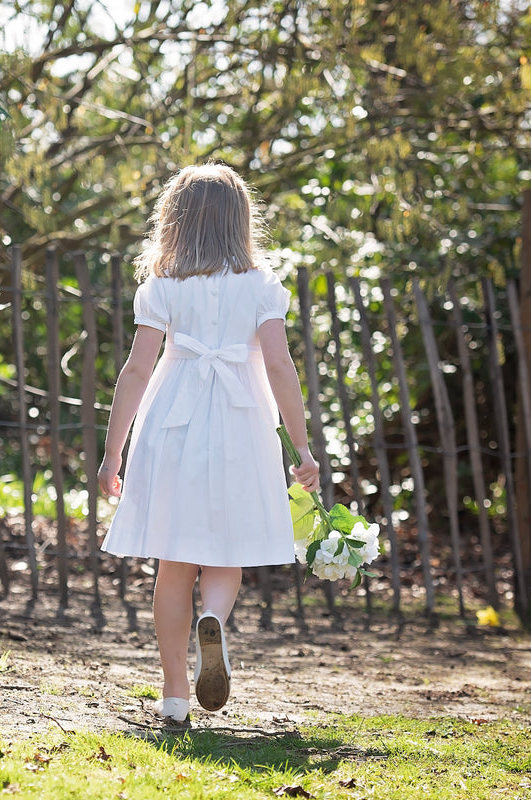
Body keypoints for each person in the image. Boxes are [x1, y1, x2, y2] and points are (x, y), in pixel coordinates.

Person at [97, 163, 321, 724]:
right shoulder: (261, 285)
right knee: (230, 548)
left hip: (174, 423)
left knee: (176, 562)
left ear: (176, 221)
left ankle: (175, 698)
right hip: (242, 425)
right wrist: (301, 448)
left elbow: (135, 372)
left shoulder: (162, 288)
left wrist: (112, 453)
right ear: (241, 222)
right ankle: (214, 620)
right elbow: (277, 364)